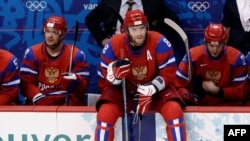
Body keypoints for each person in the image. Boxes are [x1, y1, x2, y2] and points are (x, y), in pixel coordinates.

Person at [95, 10, 186, 141]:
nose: (139, 34)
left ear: (147, 27)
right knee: (105, 113)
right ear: (125, 30)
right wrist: (115, 79)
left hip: (155, 92)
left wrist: (152, 87)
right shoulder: (113, 45)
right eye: (134, 29)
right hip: (123, 91)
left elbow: (168, 74)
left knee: (174, 110)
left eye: (142, 28)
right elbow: (103, 81)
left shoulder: (159, 41)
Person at [85, 0, 185, 64]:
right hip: (117, 52)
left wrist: (156, 38)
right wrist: (103, 39)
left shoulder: (153, 2)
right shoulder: (110, 2)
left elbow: (173, 20)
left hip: (146, 54)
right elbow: (90, 19)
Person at [20, 16, 89, 106]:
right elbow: (26, 84)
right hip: (41, 104)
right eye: (47, 31)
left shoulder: (77, 55)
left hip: (66, 105)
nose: (50, 36)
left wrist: (77, 81)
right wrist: (39, 99)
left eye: (55, 32)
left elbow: (83, 88)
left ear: (62, 34)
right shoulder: (32, 53)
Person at [174, 23, 248, 106]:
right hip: (200, 106)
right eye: (211, 45)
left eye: (219, 45)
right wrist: (187, 96)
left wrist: (219, 91)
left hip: (228, 106)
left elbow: (242, 93)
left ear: (225, 42)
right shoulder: (192, 56)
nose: (215, 50)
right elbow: (178, 85)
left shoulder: (236, 57)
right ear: (205, 42)